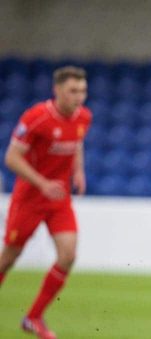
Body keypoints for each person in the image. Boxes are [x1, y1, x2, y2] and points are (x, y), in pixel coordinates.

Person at [0, 66, 92, 339]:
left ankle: (33, 317)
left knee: (68, 255)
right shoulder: (36, 118)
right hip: (30, 198)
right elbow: (11, 158)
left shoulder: (84, 117)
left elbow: (77, 143)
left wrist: (78, 170)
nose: (79, 97)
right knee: (9, 258)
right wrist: (42, 183)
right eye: (73, 91)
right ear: (58, 91)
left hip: (59, 199)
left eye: (83, 91)